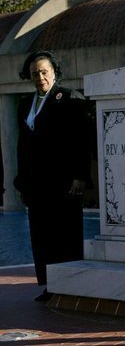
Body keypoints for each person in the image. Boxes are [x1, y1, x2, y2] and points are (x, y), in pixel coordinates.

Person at [14, 51, 91, 302]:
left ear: (54, 71)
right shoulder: (26, 104)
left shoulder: (70, 99)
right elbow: (22, 145)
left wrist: (79, 176)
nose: (40, 77)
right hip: (37, 185)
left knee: (65, 235)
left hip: (64, 183)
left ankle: (73, 285)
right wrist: (22, 182)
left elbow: (81, 141)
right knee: (42, 236)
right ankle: (51, 286)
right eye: (35, 73)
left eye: (44, 72)